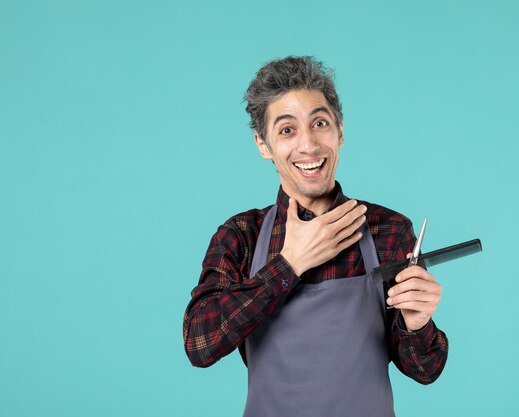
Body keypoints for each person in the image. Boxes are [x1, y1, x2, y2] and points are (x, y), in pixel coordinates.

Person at [183, 56, 448, 417]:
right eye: (287, 130)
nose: (309, 146)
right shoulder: (242, 236)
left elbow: (425, 370)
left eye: (319, 123)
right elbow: (200, 343)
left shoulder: (387, 230)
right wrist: (290, 263)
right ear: (263, 145)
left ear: (340, 131)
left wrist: (418, 323)